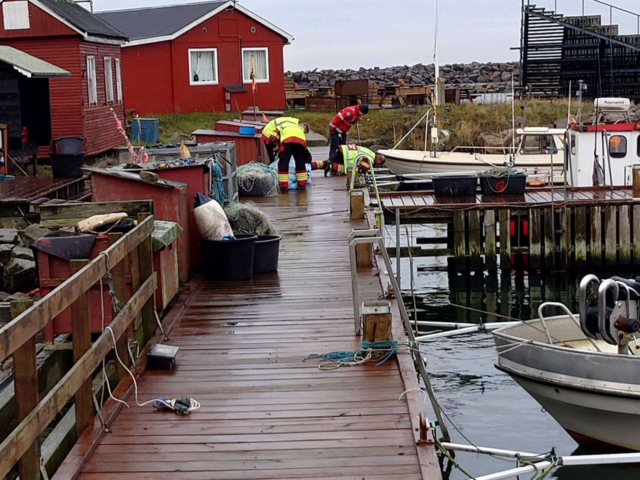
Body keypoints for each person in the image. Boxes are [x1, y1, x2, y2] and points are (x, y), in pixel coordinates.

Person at [312, 143, 381, 176]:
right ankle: (330, 166)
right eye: (378, 164)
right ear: (378, 161)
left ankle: (310, 166)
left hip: (343, 150)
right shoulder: (370, 159)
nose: (376, 165)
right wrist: (361, 174)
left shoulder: (370, 152)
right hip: (346, 156)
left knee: (325, 163)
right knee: (344, 170)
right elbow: (361, 168)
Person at [278, 123, 310, 191]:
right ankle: (302, 185)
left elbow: (274, 139)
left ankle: (283, 186)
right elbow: (305, 147)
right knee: (300, 162)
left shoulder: (283, 126)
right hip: (299, 143)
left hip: (286, 142)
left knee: (283, 163)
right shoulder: (300, 130)